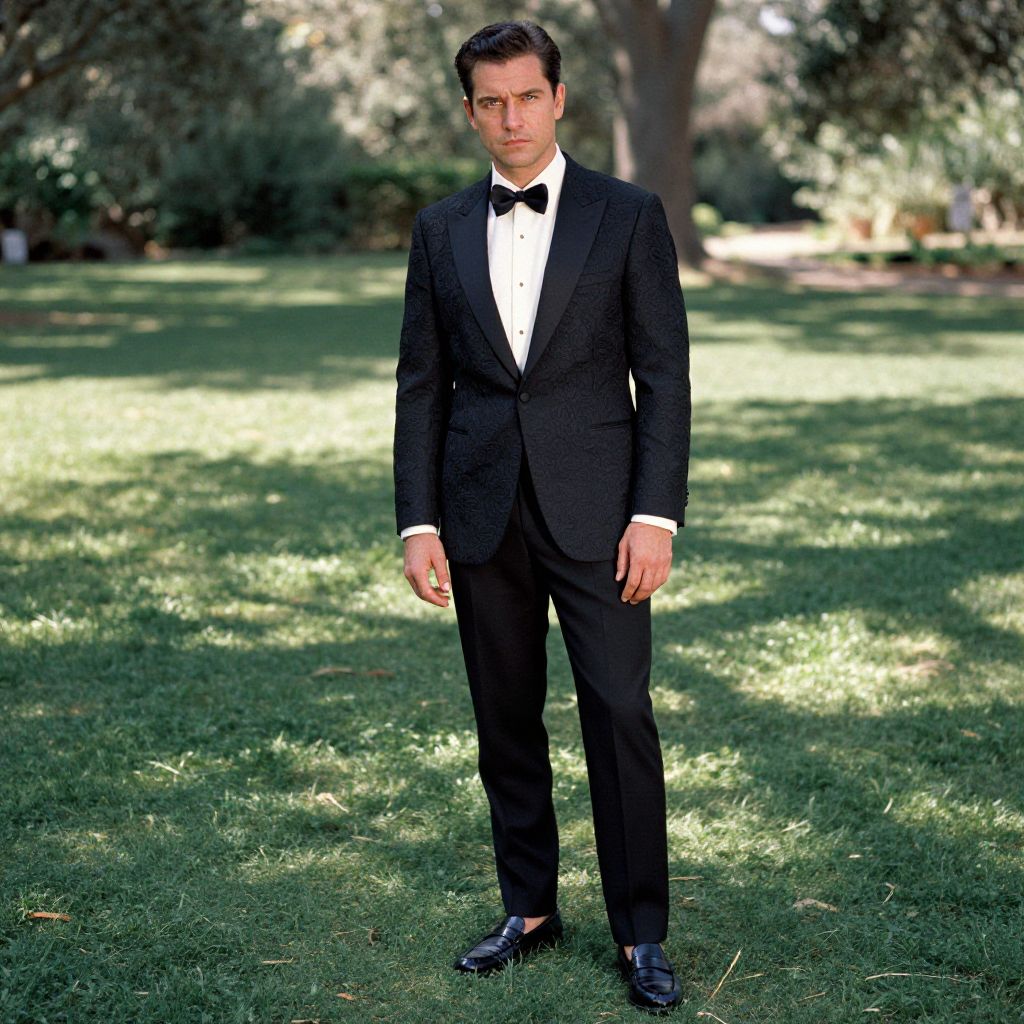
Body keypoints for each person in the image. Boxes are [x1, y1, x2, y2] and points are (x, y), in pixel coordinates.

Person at [392, 20, 691, 1013]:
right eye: (491, 100)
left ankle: (639, 930)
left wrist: (655, 514)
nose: (511, 117)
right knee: (503, 718)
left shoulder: (628, 214)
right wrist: (417, 521)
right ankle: (527, 906)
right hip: (479, 514)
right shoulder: (437, 230)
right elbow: (421, 388)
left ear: (558, 98)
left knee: (616, 713)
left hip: (602, 514)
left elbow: (665, 377)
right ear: (470, 108)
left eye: (527, 96)